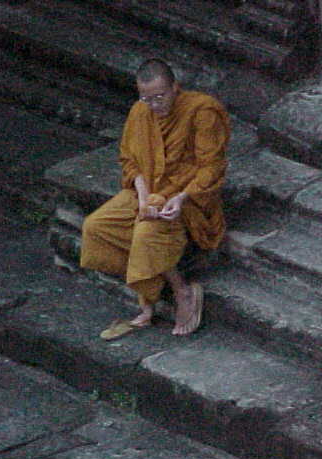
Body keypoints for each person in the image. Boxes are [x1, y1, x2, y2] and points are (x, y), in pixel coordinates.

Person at [80, 58, 230, 339]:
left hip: (189, 196)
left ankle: (182, 292)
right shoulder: (140, 112)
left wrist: (182, 198)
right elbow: (129, 161)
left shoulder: (202, 110)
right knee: (96, 227)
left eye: (160, 96)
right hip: (148, 190)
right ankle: (150, 289)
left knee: (146, 232)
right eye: (146, 97)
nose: (154, 104)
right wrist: (143, 197)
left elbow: (212, 166)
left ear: (175, 87)